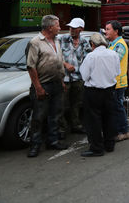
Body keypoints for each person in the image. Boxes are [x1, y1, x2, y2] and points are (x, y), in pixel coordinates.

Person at [26, 15, 68, 158]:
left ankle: (53, 140)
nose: (60, 28)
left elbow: (59, 62)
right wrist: (38, 87)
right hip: (43, 84)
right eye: (58, 25)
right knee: (38, 116)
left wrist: (62, 81)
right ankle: (35, 145)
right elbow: (31, 67)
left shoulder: (57, 40)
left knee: (55, 114)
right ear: (50, 27)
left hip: (56, 84)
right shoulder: (35, 42)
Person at [79, 33, 121, 157]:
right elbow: (117, 72)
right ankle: (109, 144)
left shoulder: (91, 56)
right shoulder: (113, 54)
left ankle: (97, 148)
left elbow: (84, 75)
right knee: (109, 117)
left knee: (93, 120)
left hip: (93, 92)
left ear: (92, 44)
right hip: (110, 90)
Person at [59, 17, 91, 137]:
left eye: (74, 28)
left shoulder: (84, 42)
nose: (71, 29)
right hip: (65, 78)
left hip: (78, 78)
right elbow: (56, 55)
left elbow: (88, 59)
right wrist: (65, 64)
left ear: (80, 29)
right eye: (70, 27)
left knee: (76, 103)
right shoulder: (62, 39)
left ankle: (76, 125)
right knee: (61, 104)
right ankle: (61, 129)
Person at [104, 20, 129, 142]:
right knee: (115, 107)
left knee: (118, 107)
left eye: (108, 29)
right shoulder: (111, 44)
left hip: (118, 82)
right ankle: (118, 130)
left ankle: (123, 131)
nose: (105, 31)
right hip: (113, 82)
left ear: (116, 31)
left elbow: (113, 62)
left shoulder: (119, 44)